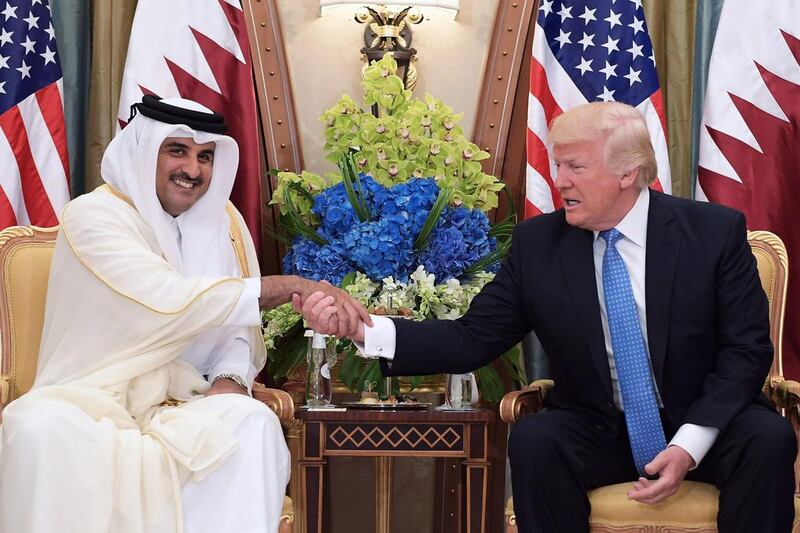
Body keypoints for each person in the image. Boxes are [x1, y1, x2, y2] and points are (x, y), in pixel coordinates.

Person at [300, 101, 796, 532]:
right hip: (600, 428)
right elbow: (473, 338)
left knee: (768, 440)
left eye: (575, 167)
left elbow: (745, 351)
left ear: (627, 173)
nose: (559, 182)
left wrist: (689, 444)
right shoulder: (540, 245)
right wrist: (367, 330)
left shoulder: (711, 232)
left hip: (703, 422)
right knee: (538, 439)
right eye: (557, 166)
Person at [0, 96, 369, 533]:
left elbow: (237, 331)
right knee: (37, 428)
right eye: (177, 150)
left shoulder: (222, 222)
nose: (193, 170)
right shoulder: (93, 216)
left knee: (251, 423)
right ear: (143, 151)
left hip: (185, 403)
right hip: (91, 399)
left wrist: (229, 381)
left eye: (205, 156)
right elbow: (167, 299)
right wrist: (290, 286)